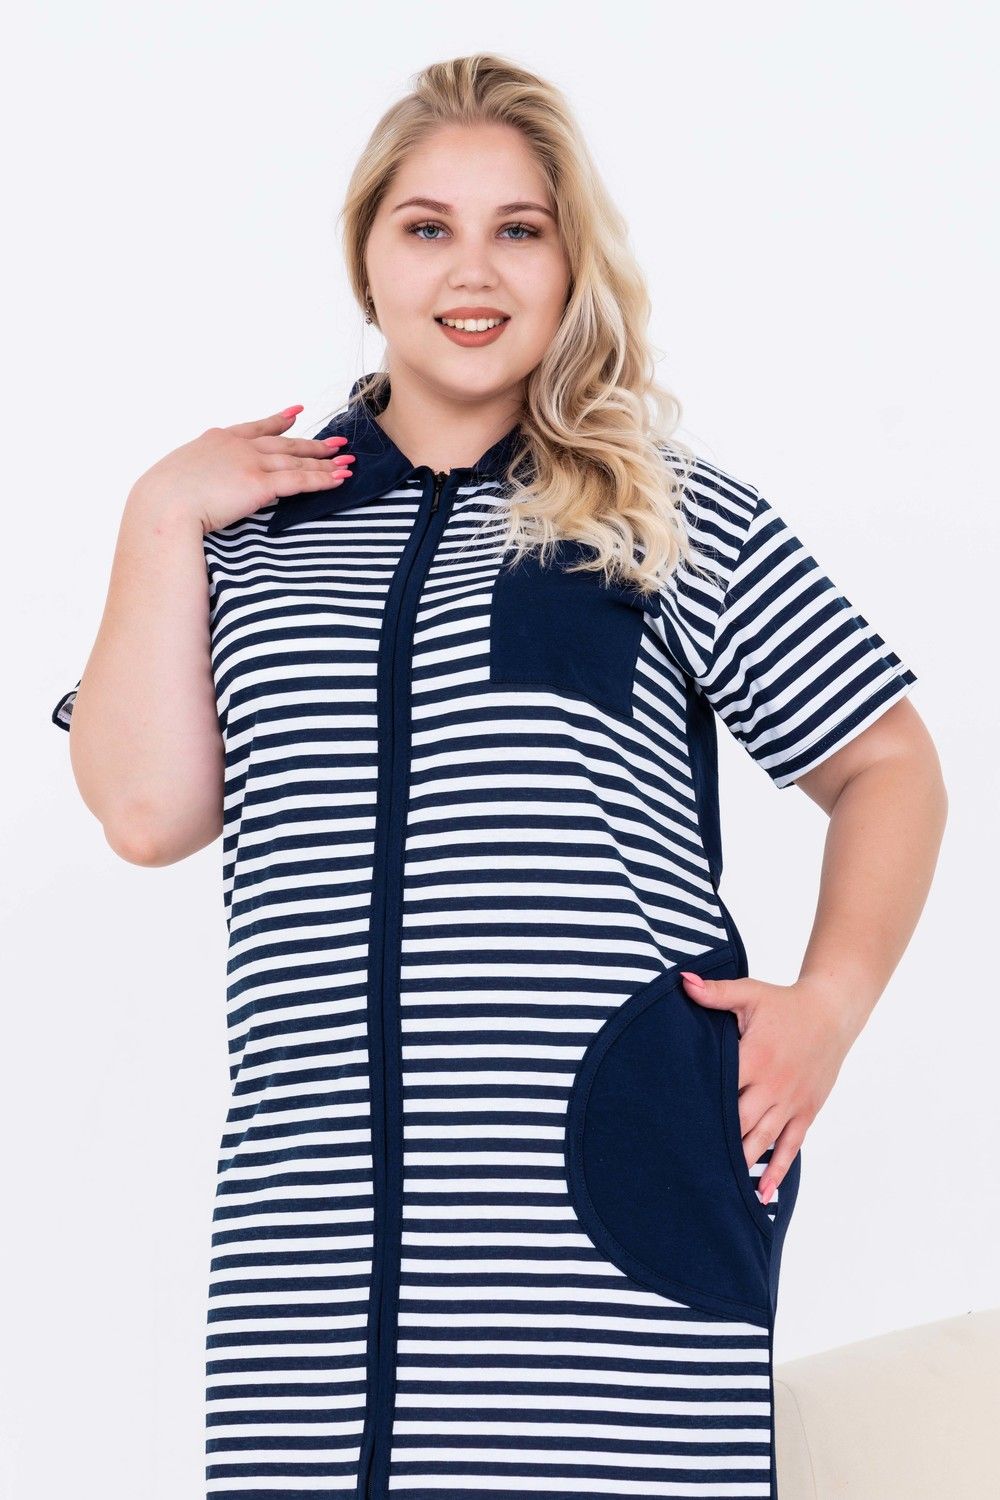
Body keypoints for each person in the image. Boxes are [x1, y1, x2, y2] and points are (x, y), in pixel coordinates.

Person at [51, 51, 946, 1500]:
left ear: (570, 261)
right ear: (366, 257)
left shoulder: (664, 511)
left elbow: (888, 758)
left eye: (519, 229)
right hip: (311, 1255)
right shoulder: (251, 530)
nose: (473, 271)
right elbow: (147, 813)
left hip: (608, 1224)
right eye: (428, 227)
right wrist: (157, 517)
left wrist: (829, 1005)